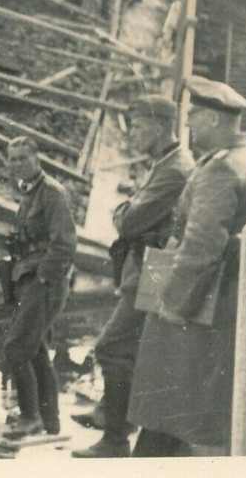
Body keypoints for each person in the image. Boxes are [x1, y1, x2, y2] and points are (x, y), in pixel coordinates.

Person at [128, 77, 246, 457]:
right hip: (214, 296)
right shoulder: (238, 159)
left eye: (197, 116)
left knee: (170, 406)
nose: (190, 124)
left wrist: (173, 302)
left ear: (217, 121)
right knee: (179, 409)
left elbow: (201, 247)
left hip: (196, 301)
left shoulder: (221, 169)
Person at [72, 96, 194, 458]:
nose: (134, 136)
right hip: (146, 269)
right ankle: (113, 419)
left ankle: (114, 439)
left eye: (139, 127)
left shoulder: (174, 169)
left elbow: (128, 221)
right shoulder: (167, 162)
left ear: (159, 126)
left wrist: (122, 211)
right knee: (128, 350)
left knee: (112, 347)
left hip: (151, 273)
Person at [2, 137, 77, 439]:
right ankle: (51, 422)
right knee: (36, 351)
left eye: (23, 158)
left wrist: (45, 277)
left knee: (16, 347)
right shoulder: (28, 193)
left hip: (44, 281)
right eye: (13, 159)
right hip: (27, 278)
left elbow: (65, 242)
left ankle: (30, 416)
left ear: (37, 159)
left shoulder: (52, 193)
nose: (17, 164)